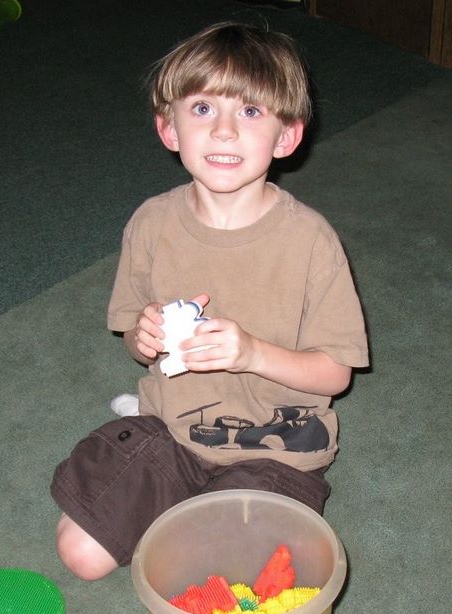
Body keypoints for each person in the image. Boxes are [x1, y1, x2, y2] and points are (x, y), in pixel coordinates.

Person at [50, 21, 369, 580]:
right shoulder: (151, 223)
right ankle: (164, 474)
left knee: (218, 574)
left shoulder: (311, 242)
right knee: (82, 555)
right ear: (168, 128)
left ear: (287, 137)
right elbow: (133, 339)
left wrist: (252, 353)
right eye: (202, 109)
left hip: (277, 450)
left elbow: (335, 374)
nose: (223, 131)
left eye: (250, 111)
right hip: (173, 431)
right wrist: (143, 336)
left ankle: (199, 513)